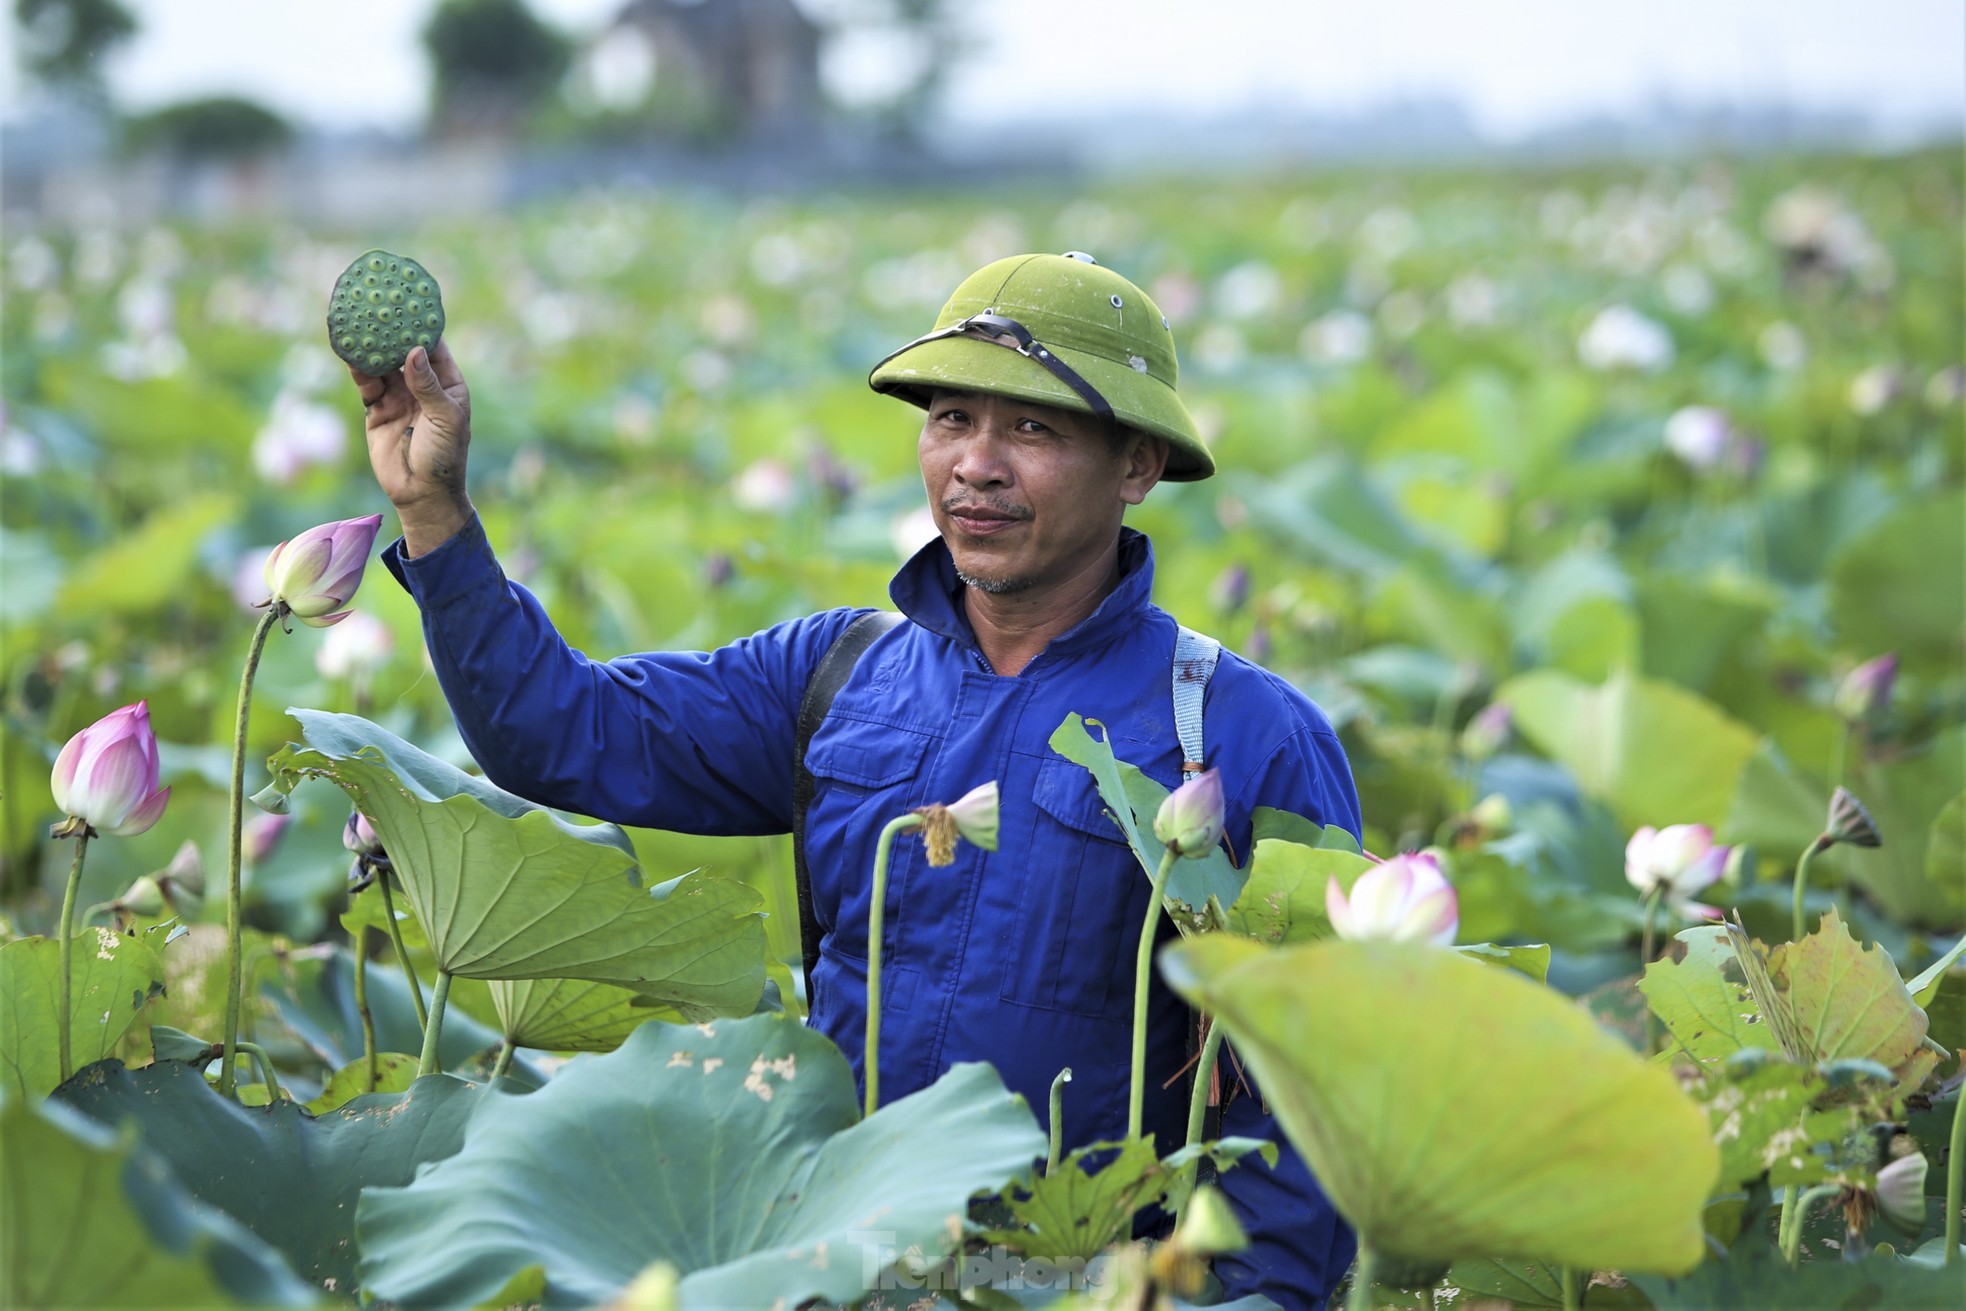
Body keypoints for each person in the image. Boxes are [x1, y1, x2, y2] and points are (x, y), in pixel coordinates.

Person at [352, 251, 1361, 1306]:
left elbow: (1306, 1100)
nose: (975, 464)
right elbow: (560, 734)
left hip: (1087, 1279)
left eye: (1032, 430)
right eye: (950, 420)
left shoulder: (1240, 733)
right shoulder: (834, 673)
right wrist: (436, 514)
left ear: (1137, 465)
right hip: (837, 1265)